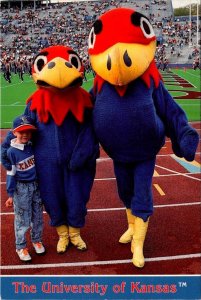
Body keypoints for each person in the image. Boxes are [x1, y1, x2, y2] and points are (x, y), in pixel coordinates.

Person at [5, 115, 45, 262]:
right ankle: (20, 246)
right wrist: (10, 194)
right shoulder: (11, 152)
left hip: (35, 186)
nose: (25, 134)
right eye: (21, 131)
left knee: (38, 216)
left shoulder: (31, 146)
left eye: (28, 131)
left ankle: (37, 239)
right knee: (23, 219)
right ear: (14, 132)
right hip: (21, 189)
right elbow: (11, 174)